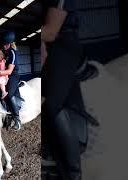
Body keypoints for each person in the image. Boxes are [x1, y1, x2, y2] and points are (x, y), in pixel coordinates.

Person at [41, 0, 85, 180]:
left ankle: (73, 173)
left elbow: (51, 31)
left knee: (49, 103)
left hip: (63, 42)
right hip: (48, 45)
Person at [0, 32, 21, 131]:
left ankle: (17, 119)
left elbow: (10, 71)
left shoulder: (12, 52)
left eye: (6, 44)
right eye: (3, 44)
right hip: (2, 75)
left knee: (9, 94)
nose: (4, 46)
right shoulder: (2, 51)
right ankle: (4, 116)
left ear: (10, 43)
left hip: (12, 75)